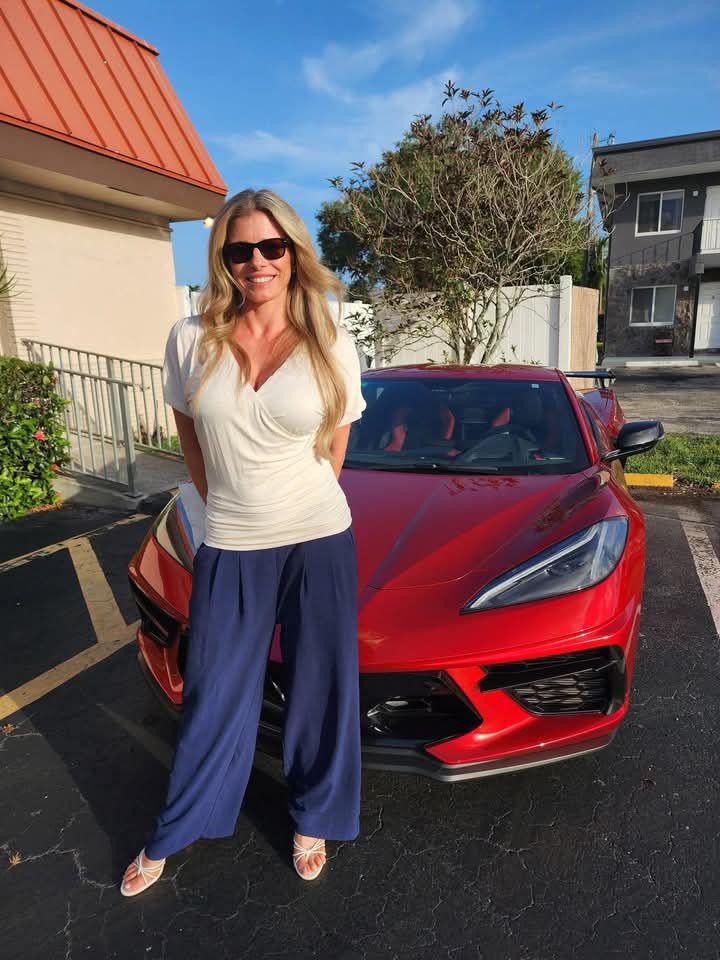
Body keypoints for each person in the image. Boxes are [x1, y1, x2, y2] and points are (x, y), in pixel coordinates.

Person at [120, 188, 366, 896]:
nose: (257, 261)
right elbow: (191, 439)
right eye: (240, 250)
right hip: (230, 538)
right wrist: (228, 503)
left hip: (318, 535)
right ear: (222, 259)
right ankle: (176, 827)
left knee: (320, 685)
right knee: (215, 689)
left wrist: (293, 506)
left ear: (292, 253)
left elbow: (335, 447)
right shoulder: (189, 338)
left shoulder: (328, 339)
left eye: (271, 246)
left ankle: (314, 816)